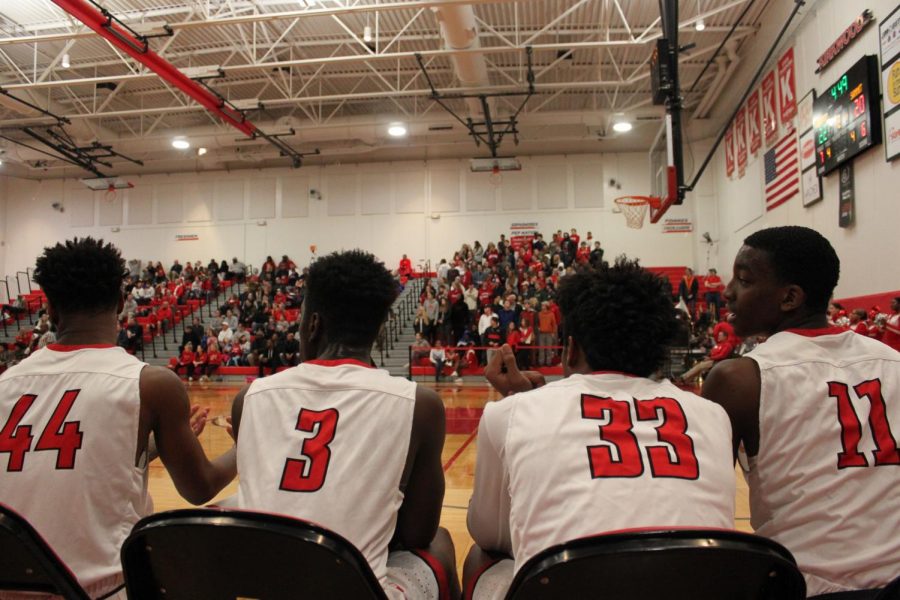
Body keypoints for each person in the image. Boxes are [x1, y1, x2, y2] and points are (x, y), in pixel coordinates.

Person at [464, 258, 735, 599]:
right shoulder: (713, 415)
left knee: (480, 557)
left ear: (572, 347)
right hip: (695, 588)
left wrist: (519, 403)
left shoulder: (510, 413)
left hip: (567, 586)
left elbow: (489, 533)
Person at [0, 237, 235, 598]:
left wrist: (149, 446)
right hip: (101, 591)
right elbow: (199, 487)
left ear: (49, 308)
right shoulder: (152, 384)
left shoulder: (6, 383)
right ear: (122, 302)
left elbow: (61, 457)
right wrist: (250, 443)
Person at [231, 250, 459, 599]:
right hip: (354, 590)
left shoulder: (249, 398)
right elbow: (417, 534)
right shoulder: (422, 406)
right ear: (379, 332)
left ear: (313, 324)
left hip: (261, 588)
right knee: (440, 541)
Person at [701, 226, 900, 597]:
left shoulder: (738, 379)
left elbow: (707, 508)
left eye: (743, 280)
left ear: (790, 297)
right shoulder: (894, 362)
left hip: (809, 585)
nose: (728, 292)